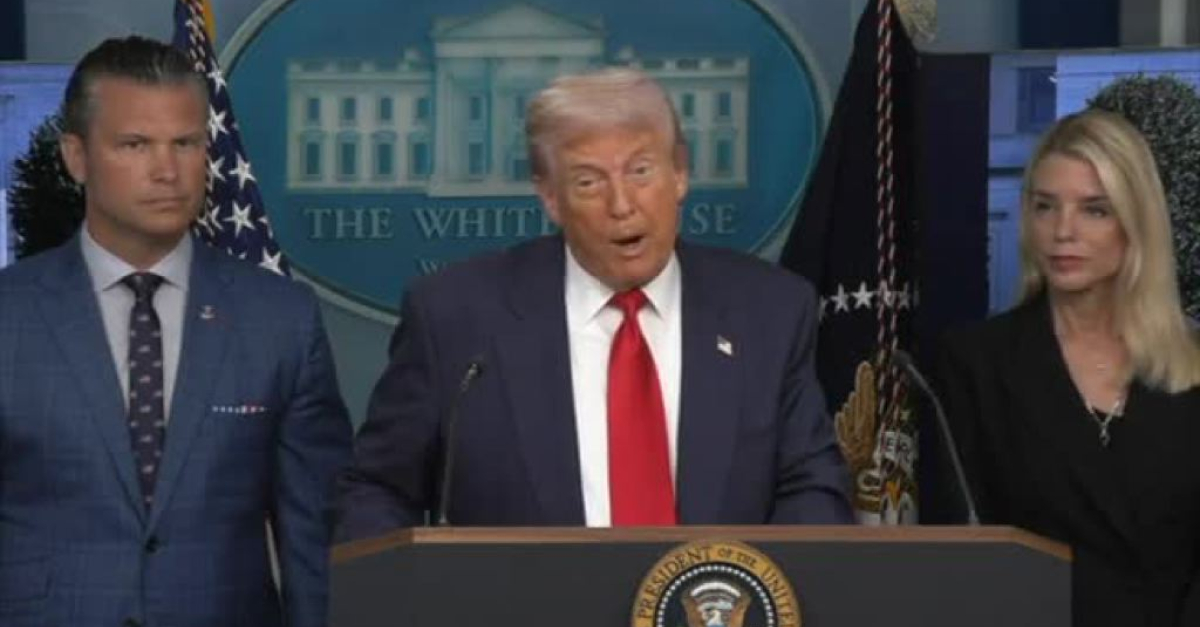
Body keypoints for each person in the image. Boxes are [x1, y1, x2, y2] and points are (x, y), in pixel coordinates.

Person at [337, 68, 853, 536]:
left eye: (641, 171)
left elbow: (812, 488)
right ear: (550, 197)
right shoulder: (457, 317)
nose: (622, 205)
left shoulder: (769, 311)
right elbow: (377, 491)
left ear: (680, 173)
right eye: (588, 182)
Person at [0, 37, 352, 627]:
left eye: (185, 144)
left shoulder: (280, 319)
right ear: (76, 157)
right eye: (135, 144)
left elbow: (316, 537)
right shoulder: (11, 314)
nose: (167, 171)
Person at [934, 110, 1200, 627]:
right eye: (1045, 206)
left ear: (1136, 223)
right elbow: (965, 555)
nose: (1063, 231)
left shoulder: (1193, 364)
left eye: (1094, 210)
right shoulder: (973, 363)